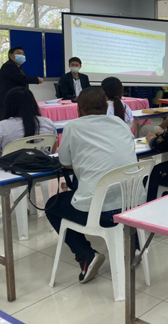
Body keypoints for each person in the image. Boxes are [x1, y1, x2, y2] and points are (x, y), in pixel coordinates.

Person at [45, 87, 137, 283]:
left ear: (79, 109)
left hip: (101, 212)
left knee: (53, 205)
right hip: (132, 206)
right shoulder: (120, 123)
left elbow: (65, 162)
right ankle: (135, 246)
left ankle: (85, 255)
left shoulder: (73, 126)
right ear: (106, 106)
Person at [0, 88, 57, 155]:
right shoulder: (48, 123)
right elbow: (52, 150)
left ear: (8, 106)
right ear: (33, 103)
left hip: (11, 161)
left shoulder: (3, 126)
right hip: (42, 161)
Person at [0, 46, 43, 120]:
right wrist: (36, 80)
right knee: (7, 119)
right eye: (19, 53)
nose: (22, 56)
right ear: (11, 56)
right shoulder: (8, 66)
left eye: (23, 54)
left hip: (15, 98)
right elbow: (21, 79)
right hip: (7, 98)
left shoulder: (17, 67)